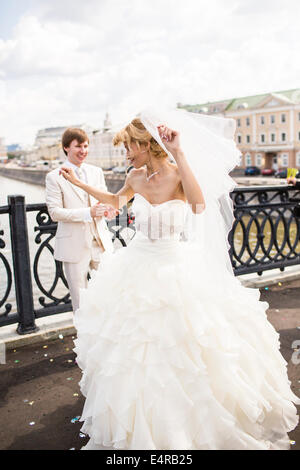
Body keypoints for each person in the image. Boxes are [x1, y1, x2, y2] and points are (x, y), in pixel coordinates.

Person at [60, 110, 299, 450]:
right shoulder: (135, 176)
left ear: (145, 144)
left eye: (128, 146)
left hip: (175, 264)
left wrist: (180, 151)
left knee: (184, 345)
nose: (125, 153)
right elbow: (115, 201)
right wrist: (78, 183)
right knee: (135, 348)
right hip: (136, 264)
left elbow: (200, 205)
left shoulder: (176, 174)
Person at [45, 127, 117, 312]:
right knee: (80, 301)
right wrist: (88, 213)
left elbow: (104, 199)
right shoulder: (53, 177)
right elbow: (55, 212)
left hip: (101, 242)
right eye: (78, 146)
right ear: (66, 148)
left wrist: (107, 210)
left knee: (109, 294)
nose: (83, 150)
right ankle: (85, 339)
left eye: (86, 146)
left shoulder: (96, 172)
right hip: (74, 245)